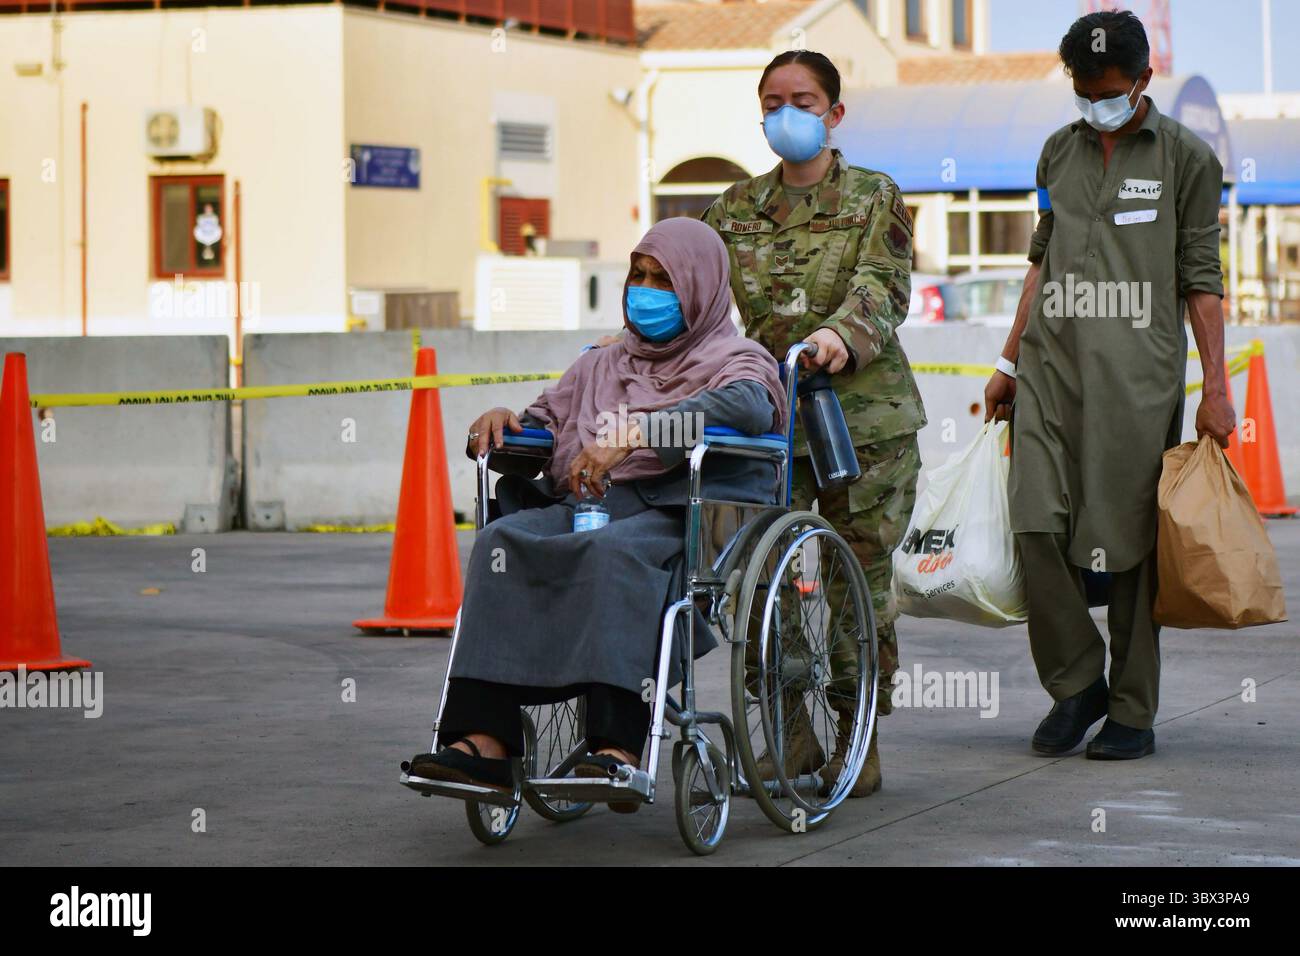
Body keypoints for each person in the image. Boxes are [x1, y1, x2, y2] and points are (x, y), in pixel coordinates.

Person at [403, 218, 787, 808]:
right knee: (501, 542)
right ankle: (485, 741)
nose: (647, 289)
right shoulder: (599, 364)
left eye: (665, 279)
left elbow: (751, 408)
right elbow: (547, 422)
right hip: (584, 505)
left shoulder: (734, 358)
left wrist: (639, 431)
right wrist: (507, 422)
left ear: (701, 288)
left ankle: (618, 747)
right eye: (639, 274)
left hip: (672, 512)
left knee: (610, 555)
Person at [984, 10, 1235, 760]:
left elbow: (1201, 279)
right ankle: (1076, 682)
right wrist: (1006, 362)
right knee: (1034, 524)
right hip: (1049, 369)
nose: (1095, 100)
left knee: (1125, 550)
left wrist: (1216, 387)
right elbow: (1042, 258)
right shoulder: (1056, 152)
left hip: (1137, 381)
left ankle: (1132, 708)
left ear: (1143, 81)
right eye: (1083, 88)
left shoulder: (1187, 159)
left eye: (1110, 89)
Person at [700, 50, 925, 797]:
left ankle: (857, 740)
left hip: (862, 428)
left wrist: (837, 337)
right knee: (767, 582)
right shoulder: (733, 210)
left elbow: (883, 286)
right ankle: (791, 740)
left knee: (851, 580)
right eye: (772, 100)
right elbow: (695, 292)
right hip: (769, 428)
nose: (784, 112)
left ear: (834, 112)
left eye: (802, 99)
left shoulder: (872, 196)